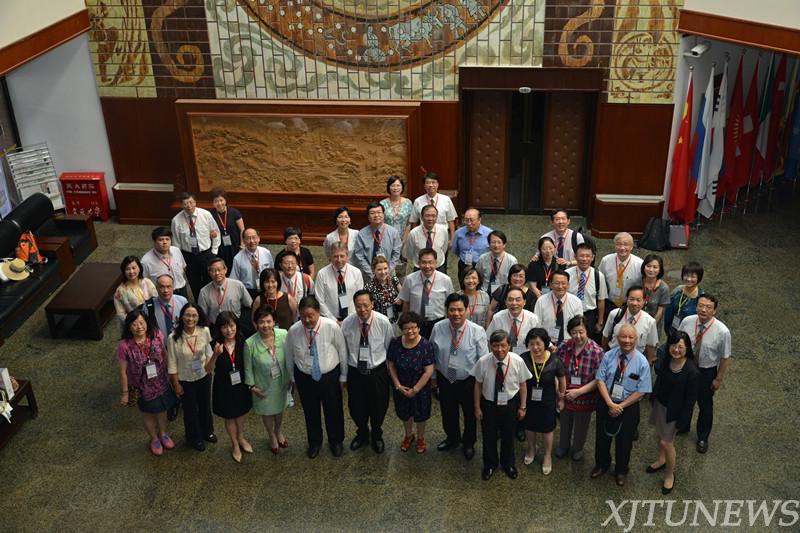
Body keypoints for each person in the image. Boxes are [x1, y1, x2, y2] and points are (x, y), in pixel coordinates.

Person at [284, 296, 348, 458]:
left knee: (333, 410)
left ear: (318, 312)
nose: (307, 320)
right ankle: (314, 442)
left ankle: (336, 441)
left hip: (329, 376)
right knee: (310, 411)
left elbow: (342, 350)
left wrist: (343, 375)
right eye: (303, 316)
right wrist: (292, 377)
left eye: (310, 315)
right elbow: (289, 355)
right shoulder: (294, 331)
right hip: (305, 377)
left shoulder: (331, 326)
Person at [590, 324, 651, 487]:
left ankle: (621, 470)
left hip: (628, 406)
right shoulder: (608, 355)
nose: (627, 340)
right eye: (623, 337)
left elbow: (642, 390)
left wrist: (621, 406)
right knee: (601, 437)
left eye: (631, 337)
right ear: (617, 338)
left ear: (636, 339)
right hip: (606, 401)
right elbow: (600, 380)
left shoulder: (642, 362)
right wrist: (610, 403)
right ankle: (602, 464)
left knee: (625, 441)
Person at [430, 294, 487, 460]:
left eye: (460, 310)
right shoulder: (438, 328)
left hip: (468, 381)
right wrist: (433, 378)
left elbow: (483, 361)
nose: (456, 314)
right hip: (445, 378)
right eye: (452, 310)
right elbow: (432, 354)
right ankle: (452, 438)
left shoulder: (477, 331)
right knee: (448, 412)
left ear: (467, 310)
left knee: (469, 414)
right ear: (446, 311)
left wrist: (481, 385)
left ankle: (468, 443)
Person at [472, 329, 532, 480]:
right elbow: (478, 386)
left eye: (503, 345)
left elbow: (523, 385)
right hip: (489, 404)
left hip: (510, 404)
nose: (499, 349)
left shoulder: (517, 361)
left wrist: (523, 407)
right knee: (488, 436)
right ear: (490, 346)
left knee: (509, 435)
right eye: (495, 345)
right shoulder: (483, 362)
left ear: (509, 345)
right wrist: (477, 407)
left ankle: (508, 464)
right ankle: (489, 464)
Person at [116, 309, 177, 456]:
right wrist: (125, 392)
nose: (139, 327)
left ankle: (163, 433)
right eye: (134, 324)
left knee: (162, 409)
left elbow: (164, 353)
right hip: (142, 386)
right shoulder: (125, 346)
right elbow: (122, 371)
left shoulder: (156, 334)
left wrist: (171, 374)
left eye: (142, 323)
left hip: (161, 380)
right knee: (148, 413)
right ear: (129, 327)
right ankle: (154, 438)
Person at [677, 293, 731, 454]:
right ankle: (683, 426)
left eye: (708, 307)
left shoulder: (722, 331)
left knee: (705, 405)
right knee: (684, 399)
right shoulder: (687, 321)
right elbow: (678, 342)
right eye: (701, 305)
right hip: (686, 367)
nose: (703, 310)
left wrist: (718, 379)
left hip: (706, 371)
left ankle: (702, 437)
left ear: (714, 310)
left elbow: (725, 358)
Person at [341, 290, 393, 453]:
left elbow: (389, 347)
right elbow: (344, 350)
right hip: (355, 372)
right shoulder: (347, 323)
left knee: (379, 406)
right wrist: (344, 375)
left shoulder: (383, 322)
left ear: (372, 304)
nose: (362, 309)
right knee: (356, 408)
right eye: (358, 306)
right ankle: (362, 433)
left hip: (377, 372)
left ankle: (377, 434)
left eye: (365, 305)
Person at [647, 331, 699, 494]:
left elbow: (690, 401)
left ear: (687, 348)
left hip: (674, 412)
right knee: (659, 435)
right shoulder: (666, 360)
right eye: (673, 345)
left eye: (680, 347)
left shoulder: (692, 372)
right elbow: (660, 380)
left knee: (666, 442)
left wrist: (682, 420)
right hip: (660, 404)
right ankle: (661, 459)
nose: (676, 350)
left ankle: (669, 475)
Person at [554, 316, 604, 461]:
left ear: (587, 331)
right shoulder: (564, 346)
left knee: (582, 425)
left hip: (585, 395)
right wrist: (559, 391)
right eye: (574, 332)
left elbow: (599, 379)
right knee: (564, 422)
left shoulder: (597, 351)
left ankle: (578, 448)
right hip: (565, 393)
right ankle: (563, 445)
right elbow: (555, 368)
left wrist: (579, 392)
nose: (578, 336)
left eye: (581, 332)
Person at [167, 304, 216, 451]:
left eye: (194, 315)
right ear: (182, 317)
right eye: (187, 315)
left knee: (205, 405)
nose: (190, 319)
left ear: (199, 317)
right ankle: (194, 438)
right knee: (190, 410)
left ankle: (207, 431)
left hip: (203, 375)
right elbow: (172, 363)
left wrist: (209, 367)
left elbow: (208, 351)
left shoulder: (204, 331)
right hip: (185, 379)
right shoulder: (173, 337)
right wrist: (176, 384)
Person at [206, 312, 252, 462]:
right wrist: (215, 355)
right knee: (229, 415)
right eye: (224, 327)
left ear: (236, 325)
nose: (229, 330)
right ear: (219, 329)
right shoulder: (214, 345)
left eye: (231, 326)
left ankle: (241, 438)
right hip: (223, 386)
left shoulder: (243, 341)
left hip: (240, 384)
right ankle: (235, 444)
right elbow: (208, 369)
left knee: (241, 412)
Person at [386, 312, 435, 454]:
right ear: (401, 329)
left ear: (419, 328)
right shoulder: (395, 343)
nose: (410, 331)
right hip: (401, 386)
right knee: (404, 413)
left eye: (413, 327)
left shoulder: (426, 345)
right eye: (406, 328)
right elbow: (391, 365)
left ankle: (420, 438)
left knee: (421, 414)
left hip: (420, 388)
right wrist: (397, 385)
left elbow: (428, 371)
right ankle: (408, 435)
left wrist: (415, 389)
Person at [519, 328, 566, 475]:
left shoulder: (554, 360)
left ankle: (547, 455)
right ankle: (531, 449)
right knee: (529, 425)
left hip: (548, 400)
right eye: (531, 344)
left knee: (547, 428)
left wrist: (561, 397)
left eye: (538, 343)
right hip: (528, 399)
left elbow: (562, 378)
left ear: (545, 343)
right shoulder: (523, 358)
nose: (535, 347)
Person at [244, 306, 290, 455]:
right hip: (262, 384)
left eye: (269, 321)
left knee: (279, 409)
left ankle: (278, 431)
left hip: (281, 381)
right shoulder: (250, 343)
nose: (265, 325)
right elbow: (247, 367)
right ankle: (271, 435)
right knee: (267, 412)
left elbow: (290, 357)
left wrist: (291, 377)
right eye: (261, 322)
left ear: (274, 321)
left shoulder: (283, 334)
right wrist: (252, 386)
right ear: (256, 323)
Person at [170, 192, 220, 300]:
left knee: (210, 280)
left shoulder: (205, 214)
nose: (189, 206)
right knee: (194, 283)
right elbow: (176, 244)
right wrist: (179, 262)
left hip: (206, 254)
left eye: (191, 202)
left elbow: (215, 232)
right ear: (181, 205)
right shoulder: (176, 220)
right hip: (188, 256)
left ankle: (212, 301)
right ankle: (199, 304)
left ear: (195, 202)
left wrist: (214, 251)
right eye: (185, 203)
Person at [399, 248, 454, 339]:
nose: (427, 266)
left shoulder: (445, 280)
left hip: (438, 322)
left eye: (430, 262)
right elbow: (406, 303)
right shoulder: (410, 280)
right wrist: (405, 323)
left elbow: (450, 304)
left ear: (436, 263)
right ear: (418, 263)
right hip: (416, 323)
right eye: (424, 262)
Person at [603, 286, 658, 363]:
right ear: (627, 299)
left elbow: (651, 346)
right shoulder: (614, 314)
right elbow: (605, 336)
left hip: (636, 361)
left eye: (638, 300)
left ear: (644, 301)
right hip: (613, 358)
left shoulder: (650, 322)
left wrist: (648, 363)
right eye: (631, 299)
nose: (634, 303)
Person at [566, 242, 607, 342]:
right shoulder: (567, 274)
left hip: (589, 315)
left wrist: (600, 321)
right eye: (581, 256)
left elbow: (601, 300)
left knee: (587, 342)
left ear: (592, 258)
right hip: (570, 313)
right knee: (569, 340)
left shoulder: (598, 276)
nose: (584, 259)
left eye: (588, 256)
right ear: (575, 257)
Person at [314, 243, 364, 322]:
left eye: (342, 256)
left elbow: (360, 298)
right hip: (329, 320)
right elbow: (319, 300)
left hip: (353, 319)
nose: (339, 260)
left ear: (347, 256)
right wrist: (333, 320)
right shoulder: (322, 274)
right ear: (330, 257)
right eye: (335, 256)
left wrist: (349, 319)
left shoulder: (356, 273)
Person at [197, 257, 253, 326]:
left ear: (225, 270)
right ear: (209, 273)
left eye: (219, 270)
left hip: (236, 325)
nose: (217, 273)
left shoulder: (238, 285)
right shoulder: (204, 292)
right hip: (216, 327)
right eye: (213, 271)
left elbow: (249, 305)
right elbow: (202, 315)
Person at [353, 202, 402, 280]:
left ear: (383, 215)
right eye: (372, 213)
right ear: (368, 217)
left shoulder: (393, 232)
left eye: (379, 212)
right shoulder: (361, 234)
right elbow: (359, 256)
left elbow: (396, 254)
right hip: (369, 275)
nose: (376, 215)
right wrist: (371, 274)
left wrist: (387, 271)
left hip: (389, 274)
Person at [598, 232, 643, 316]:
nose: (622, 248)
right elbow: (600, 281)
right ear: (615, 246)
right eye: (619, 244)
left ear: (631, 247)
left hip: (629, 305)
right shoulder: (606, 261)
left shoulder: (639, 264)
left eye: (626, 244)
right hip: (609, 303)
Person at [533, 271, 583, 345]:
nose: (560, 286)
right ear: (551, 285)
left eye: (563, 283)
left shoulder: (576, 302)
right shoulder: (541, 301)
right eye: (557, 283)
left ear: (568, 285)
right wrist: (549, 345)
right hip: (547, 344)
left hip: (570, 344)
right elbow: (537, 326)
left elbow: (579, 326)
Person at [486, 288, 540, 354]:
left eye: (518, 300)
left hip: (526, 357)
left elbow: (540, 341)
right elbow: (489, 339)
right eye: (510, 300)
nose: (514, 303)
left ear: (524, 302)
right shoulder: (498, 318)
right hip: (503, 356)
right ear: (505, 302)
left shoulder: (533, 319)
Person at [409, 171, 457, 242]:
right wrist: (414, 238)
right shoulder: (418, 201)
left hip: (442, 236)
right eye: (428, 183)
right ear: (424, 185)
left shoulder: (446, 200)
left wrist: (452, 239)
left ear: (438, 184)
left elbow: (451, 221)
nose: (431, 185)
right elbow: (414, 222)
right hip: (423, 236)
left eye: (433, 182)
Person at [141, 226, 188, 297]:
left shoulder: (176, 251)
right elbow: (144, 283)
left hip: (181, 289)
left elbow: (184, 268)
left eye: (167, 239)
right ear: (154, 242)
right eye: (161, 240)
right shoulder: (146, 261)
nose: (165, 242)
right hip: (162, 294)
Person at [114, 256, 157, 328]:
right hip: (135, 326)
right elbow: (121, 314)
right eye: (127, 269)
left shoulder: (147, 282)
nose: (131, 272)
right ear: (123, 271)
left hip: (153, 320)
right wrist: (136, 324)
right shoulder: (120, 291)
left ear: (139, 268)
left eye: (134, 268)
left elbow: (156, 301)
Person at [663, 261, 704, 338]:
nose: (689, 279)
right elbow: (669, 311)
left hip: (689, 335)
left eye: (693, 277)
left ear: (699, 278)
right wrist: (667, 330)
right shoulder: (678, 290)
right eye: (686, 275)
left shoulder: (701, 297)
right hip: (673, 331)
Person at [230, 228, 274, 299]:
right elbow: (234, 280)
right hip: (247, 292)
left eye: (254, 237)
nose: (251, 241)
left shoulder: (266, 253)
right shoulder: (238, 258)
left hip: (266, 289)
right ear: (243, 240)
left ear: (258, 238)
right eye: (248, 238)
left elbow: (272, 273)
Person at [404, 204, 448, 272]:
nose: (430, 219)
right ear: (421, 217)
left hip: (438, 267)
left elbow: (444, 248)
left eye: (433, 216)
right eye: (427, 216)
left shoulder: (443, 231)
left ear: (436, 217)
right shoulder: (413, 233)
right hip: (420, 268)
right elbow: (410, 253)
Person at [451, 208, 492, 281]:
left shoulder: (489, 234)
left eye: (472, 220)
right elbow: (455, 250)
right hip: (464, 265)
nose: (469, 223)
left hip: (482, 266)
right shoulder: (458, 233)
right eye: (466, 220)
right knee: (464, 285)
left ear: (479, 220)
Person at [210, 188, 244, 272]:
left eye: (221, 200)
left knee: (236, 268)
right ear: (213, 203)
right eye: (216, 201)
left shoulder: (234, 212)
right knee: (222, 268)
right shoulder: (210, 214)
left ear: (225, 200)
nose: (219, 203)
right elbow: (207, 231)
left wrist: (242, 245)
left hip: (235, 245)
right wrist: (210, 234)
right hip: (220, 247)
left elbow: (242, 230)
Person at [143, 274, 188, 339]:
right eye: (162, 287)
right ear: (156, 288)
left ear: (173, 287)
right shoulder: (149, 306)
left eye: (168, 286)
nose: (165, 290)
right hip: (161, 344)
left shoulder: (182, 301)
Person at [476, 230, 517, 295]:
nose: (496, 245)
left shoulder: (511, 260)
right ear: (489, 244)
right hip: (484, 293)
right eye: (493, 242)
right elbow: (478, 276)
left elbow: (514, 280)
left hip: (503, 294)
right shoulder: (482, 258)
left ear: (504, 244)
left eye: (499, 242)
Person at [364, 255, 402, 324]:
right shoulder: (369, 287)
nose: (383, 272)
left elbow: (403, 295)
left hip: (393, 320)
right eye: (379, 269)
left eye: (385, 268)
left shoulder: (394, 280)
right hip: (377, 322)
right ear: (373, 270)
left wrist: (400, 299)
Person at [380, 175, 414, 243]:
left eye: (398, 185)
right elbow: (381, 224)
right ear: (389, 187)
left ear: (402, 187)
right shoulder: (382, 203)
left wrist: (404, 241)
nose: (395, 188)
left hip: (404, 240)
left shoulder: (408, 202)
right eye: (393, 185)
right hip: (387, 239)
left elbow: (409, 224)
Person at [641, 254, 670, 330]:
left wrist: (650, 328)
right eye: (648, 266)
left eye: (655, 267)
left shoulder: (663, 288)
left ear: (660, 269)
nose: (651, 270)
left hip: (654, 325)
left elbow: (660, 313)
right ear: (644, 267)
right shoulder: (637, 282)